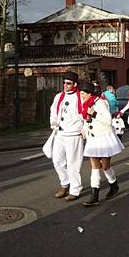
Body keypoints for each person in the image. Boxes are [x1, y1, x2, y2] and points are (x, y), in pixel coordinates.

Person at [78, 81, 124, 206]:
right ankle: (94, 196)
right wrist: (84, 130)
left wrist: (94, 113)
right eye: (80, 93)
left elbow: (108, 120)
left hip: (104, 137)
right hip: (93, 139)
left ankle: (114, 185)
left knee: (105, 166)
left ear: (89, 94)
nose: (81, 96)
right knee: (95, 167)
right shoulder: (85, 104)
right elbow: (86, 121)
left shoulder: (100, 103)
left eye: (83, 94)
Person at [48, 72, 84, 201]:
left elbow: (84, 115)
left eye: (68, 83)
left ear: (75, 84)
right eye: (64, 83)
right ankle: (65, 183)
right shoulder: (59, 96)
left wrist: (83, 129)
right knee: (57, 161)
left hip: (74, 134)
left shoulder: (80, 96)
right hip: (60, 133)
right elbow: (53, 110)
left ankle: (75, 189)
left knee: (73, 163)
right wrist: (53, 122)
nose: (65, 85)